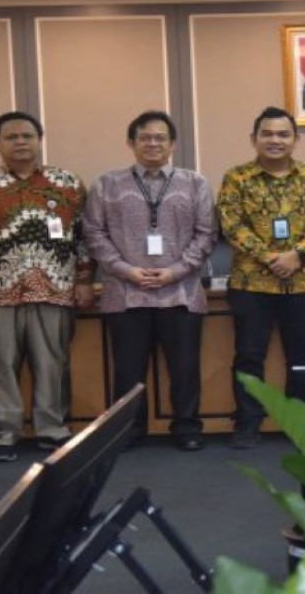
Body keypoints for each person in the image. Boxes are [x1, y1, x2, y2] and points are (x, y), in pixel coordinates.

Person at [0, 111, 95, 463]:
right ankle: (3, 433)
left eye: (27, 135)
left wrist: (84, 280)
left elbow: (82, 237)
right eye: (11, 137)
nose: (20, 142)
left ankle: (52, 429)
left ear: (39, 139)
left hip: (54, 288)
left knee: (52, 364)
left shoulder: (67, 183)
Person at [82, 111, 215, 452]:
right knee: (128, 370)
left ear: (172, 144)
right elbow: (94, 234)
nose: (153, 143)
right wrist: (126, 270)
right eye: (145, 137)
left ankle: (186, 427)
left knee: (185, 369)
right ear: (131, 143)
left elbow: (206, 234)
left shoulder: (195, 183)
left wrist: (176, 270)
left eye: (160, 138)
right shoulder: (106, 184)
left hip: (181, 291)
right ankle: (127, 430)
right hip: (125, 292)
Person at [217, 106, 305, 449]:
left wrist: (297, 253)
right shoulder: (236, 177)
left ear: (295, 140)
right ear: (254, 139)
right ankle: (248, 423)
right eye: (267, 134)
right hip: (252, 283)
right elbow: (231, 225)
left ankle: (302, 425)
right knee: (249, 356)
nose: (275, 140)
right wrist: (270, 258)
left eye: (283, 134)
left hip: (303, 282)